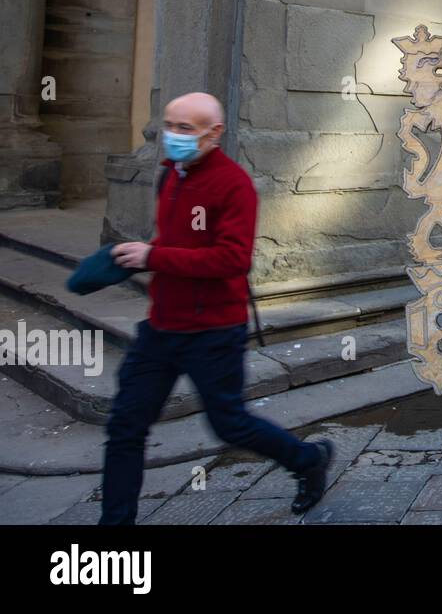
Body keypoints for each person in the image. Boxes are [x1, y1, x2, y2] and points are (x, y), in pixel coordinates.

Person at [100, 93, 333, 524]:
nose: (173, 136)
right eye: (169, 125)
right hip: (161, 327)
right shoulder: (171, 173)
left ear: (215, 133)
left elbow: (232, 259)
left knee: (230, 425)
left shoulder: (233, 184)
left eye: (185, 128)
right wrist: (141, 252)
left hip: (213, 330)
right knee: (124, 427)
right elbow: (179, 241)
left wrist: (154, 258)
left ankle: (307, 459)